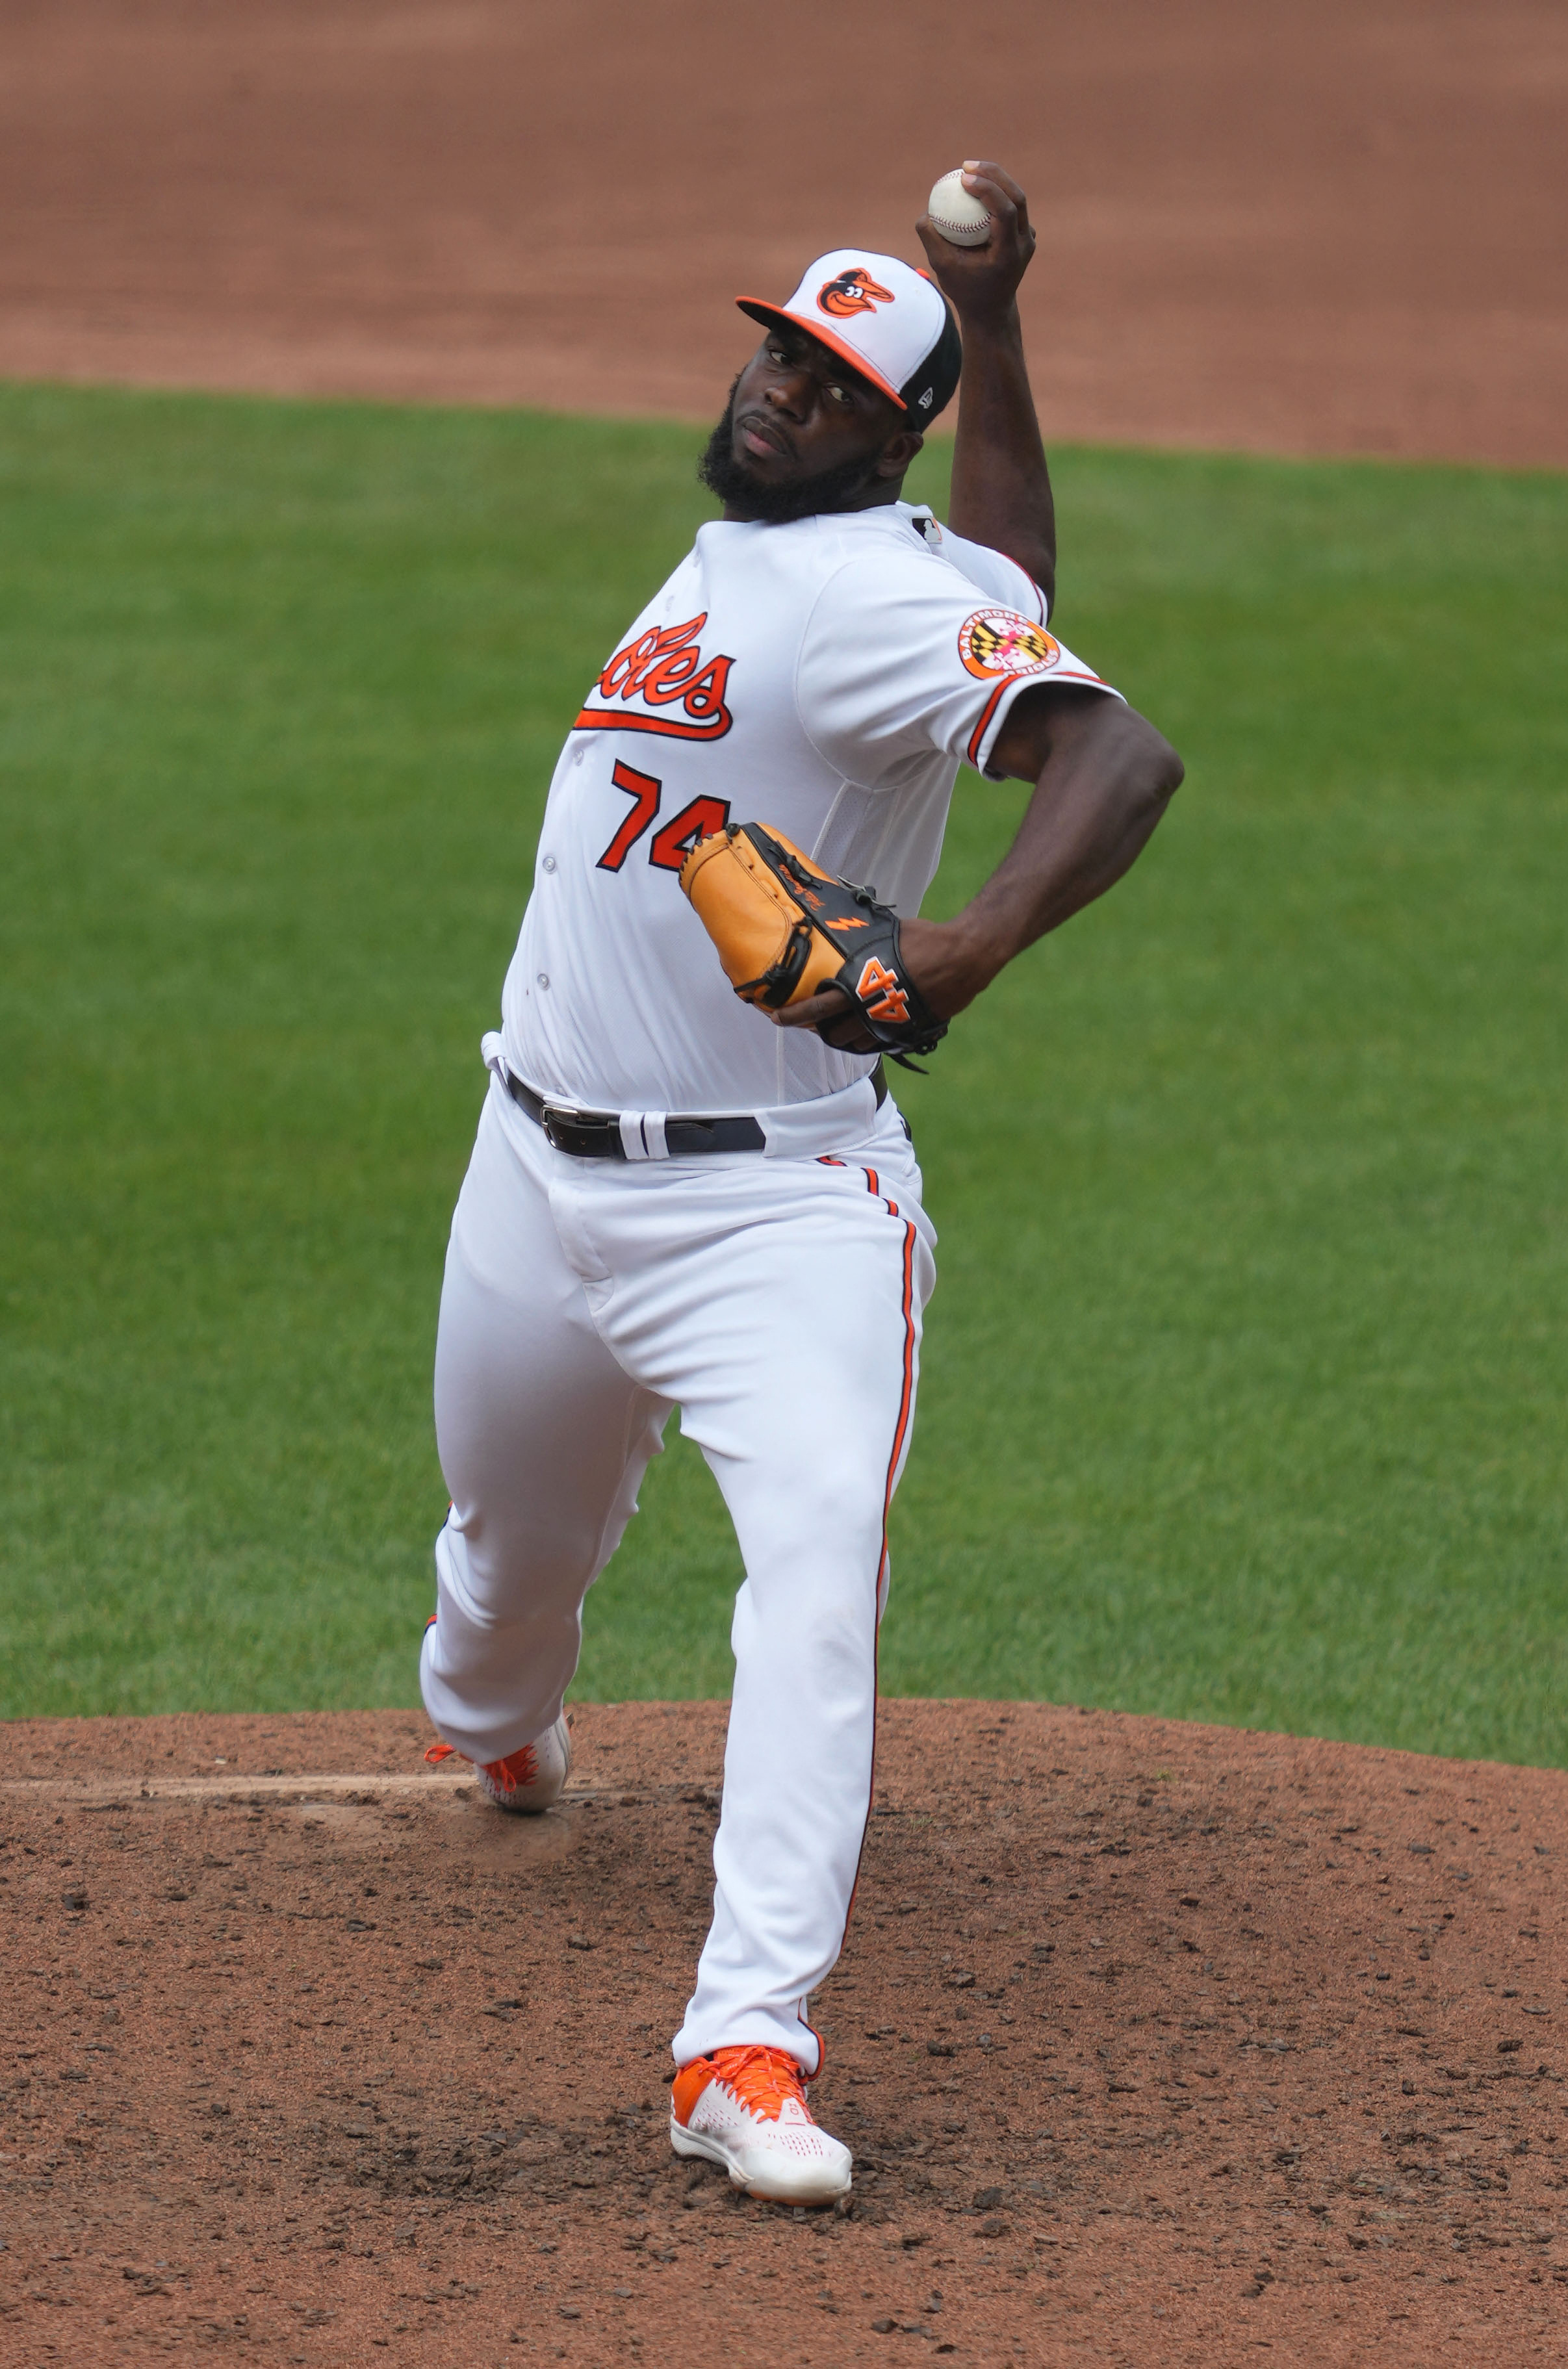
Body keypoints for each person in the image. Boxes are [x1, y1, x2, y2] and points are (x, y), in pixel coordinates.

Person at [418, 162, 1183, 2206]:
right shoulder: (801, 560)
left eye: (830, 382)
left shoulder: (862, 592)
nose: (776, 394)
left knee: (816, 1577)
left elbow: (1122, 756)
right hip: (535, 1169)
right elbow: (1003, 580)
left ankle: (743, 2041)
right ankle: (500, 1712)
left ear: (885, 432)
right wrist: (991, 317)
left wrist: (959, 950)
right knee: (502, 1580)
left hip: (779, 1217)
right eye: (775, 351)